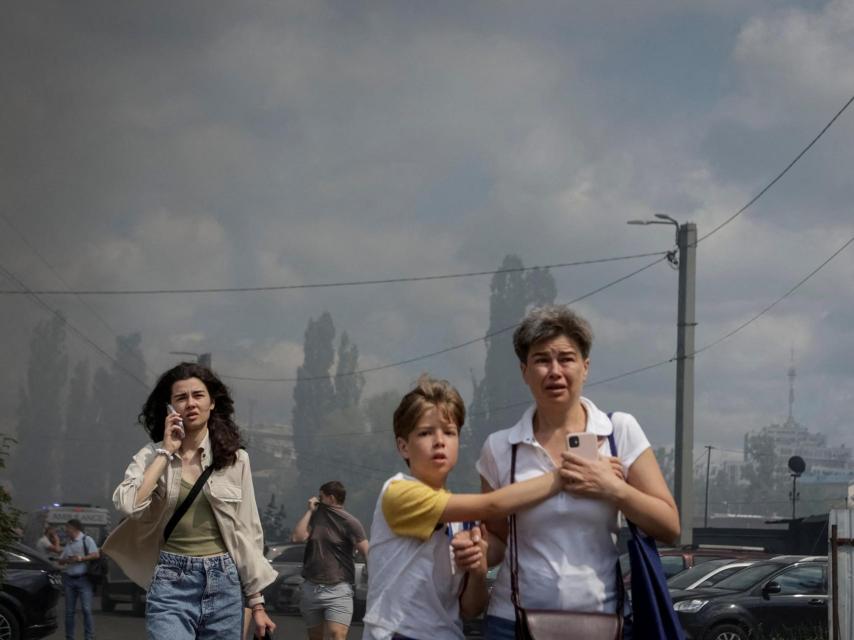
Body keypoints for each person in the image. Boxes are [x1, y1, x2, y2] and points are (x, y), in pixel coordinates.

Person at [471, 304, 680, 640]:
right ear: (525, 371)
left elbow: (670, 525)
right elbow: (497, 539)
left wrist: (614, 489)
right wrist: (475, 549)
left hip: (603, 621)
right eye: (541, 360)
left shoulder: (618, 431)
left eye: (566, 358)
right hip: (512, 623)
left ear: (585, 367)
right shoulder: (500, 447)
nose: (554, 371)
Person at [363, 375, 580, 640]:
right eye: (425, 432)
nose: (439, 441)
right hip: (395, 634)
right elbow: (492, 505)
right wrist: (564, 475)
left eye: (449, 432)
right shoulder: (398, 491)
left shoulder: (463, 520)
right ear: (403, 447)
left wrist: (478, 568)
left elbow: (470, 608)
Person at [103, 362, 277, 640]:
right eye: (181, 398)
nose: (191, 404)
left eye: (198, 395)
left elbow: (248, 530)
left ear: (212, 403)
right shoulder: (151, 455)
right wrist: (166, 452)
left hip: (224, 581)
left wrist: (257, 603)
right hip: (171, 579)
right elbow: (128, 505)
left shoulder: (236, 459)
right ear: (170, 408)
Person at [292, 481, 369, 640]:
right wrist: (309, 511)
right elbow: (297, 537)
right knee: (315, 637)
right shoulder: (316, 517)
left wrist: (374, 582)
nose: (317, 500)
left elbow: (367, 552)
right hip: (311, 587)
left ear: (331, 498)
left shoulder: (350, 522)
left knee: (337, 634)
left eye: (320, 497)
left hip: (338, 589)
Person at [57, 518, 99, 640]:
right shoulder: (69, 543)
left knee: (86, 609)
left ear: (74, 528)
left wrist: (80, 558)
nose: (66, 531)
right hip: (69, 580)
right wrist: (68, 560)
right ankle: (69, 637)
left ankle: (89, 637)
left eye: (67, 528)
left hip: (84, 580)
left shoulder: (87, 540)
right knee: (69, 612)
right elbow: (60, 560)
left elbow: (96, 554)